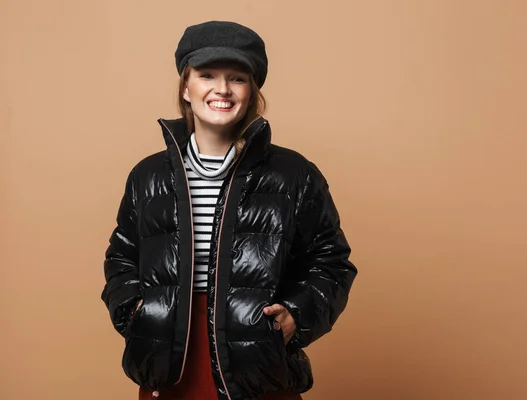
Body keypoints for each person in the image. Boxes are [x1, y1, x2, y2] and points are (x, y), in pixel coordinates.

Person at [101, 20, 357, 400]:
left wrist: (295, 316)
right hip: (170, 364)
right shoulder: (147, 177)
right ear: (186, 88)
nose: (221, 89)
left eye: (237, 78)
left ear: (252, 91)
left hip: (258, 365)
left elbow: (332, 262)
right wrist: (139, 314)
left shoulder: (294, 175)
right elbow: (122, 260)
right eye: (206, 75)